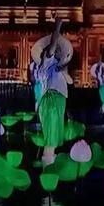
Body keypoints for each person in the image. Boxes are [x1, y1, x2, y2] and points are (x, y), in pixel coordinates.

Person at [31, 18, 73, 166]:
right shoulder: (46, 63)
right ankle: (47, 164)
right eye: (56, 51)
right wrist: (58, 27)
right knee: (51, 134)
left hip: (60, 100)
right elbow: (53, 44)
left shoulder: (59, 66)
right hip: (51, 99)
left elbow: (70, 82)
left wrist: (64, 72)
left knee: (55, 134)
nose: (57, 52)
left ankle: (50, 162)